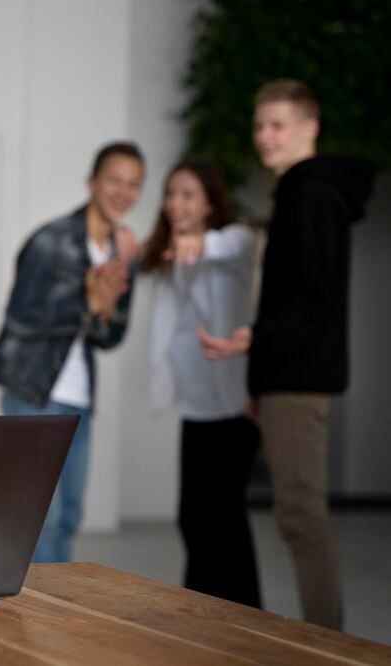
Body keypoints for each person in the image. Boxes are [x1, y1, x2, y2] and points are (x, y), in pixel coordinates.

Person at [198, 79, 374, 629]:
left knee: (303, 519)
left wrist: (255, 340)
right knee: (298, 517)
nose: (264, 137)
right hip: (284, 379)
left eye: (277, 125)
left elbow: (313, 302)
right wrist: (259, 377)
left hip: (298, 380)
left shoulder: (313, 194)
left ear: (309, 127)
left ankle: (330, 644)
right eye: (259, 125)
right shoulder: (300, 191)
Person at [0, 142, 143, 563]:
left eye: (133, 184)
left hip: (79, 399)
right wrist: (86, 304)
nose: (123, 191)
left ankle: (55, 613)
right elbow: (21, 317)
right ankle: (37, 617)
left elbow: (110, 339)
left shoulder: (123, 254)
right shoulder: (50, 240)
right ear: (92, 181)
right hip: (31, 391)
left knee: (71, 515)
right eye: (115, 179)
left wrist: (103, 312)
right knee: (43, 518)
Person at [139, 159, 260, 607]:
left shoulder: (231, 245)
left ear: (211, 202)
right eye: (171, 193)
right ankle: (201, 612)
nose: (176, 204)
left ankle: (245, 617)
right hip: (197, 406)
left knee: (223, 517)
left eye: (188, 194)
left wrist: (199, 244)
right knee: (192, 517)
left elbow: (233, 242)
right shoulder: (169, 254)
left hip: (236, 406)